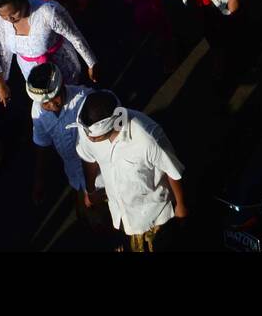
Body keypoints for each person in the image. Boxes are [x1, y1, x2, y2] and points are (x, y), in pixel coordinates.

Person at [75, 90, 186, 252]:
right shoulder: (87, 131)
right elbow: (89, 159)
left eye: (95, 138)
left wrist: (181, 206)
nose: (89, 139)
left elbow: (173, 171)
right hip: (121, 214)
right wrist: (90, 190)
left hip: (154, 216)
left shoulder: (149, 137)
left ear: (111, 127)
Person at [0, 0, 98, 88]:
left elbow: (74, 35)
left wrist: (91, 63)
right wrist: (3, 80)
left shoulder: (47, 12)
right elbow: (4, 47)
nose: (9, 19)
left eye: (14, 13)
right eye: (3, 15)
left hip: (60, 64)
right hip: (30, 69)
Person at [27, 64, 89, 202]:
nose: (52, 105)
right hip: (73, 174)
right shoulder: (37, 111)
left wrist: (90, 190)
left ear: (62, 85)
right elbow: (42, 145)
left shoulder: (85, 99)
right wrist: (39, 180)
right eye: (45, 103)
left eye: (55, 97)